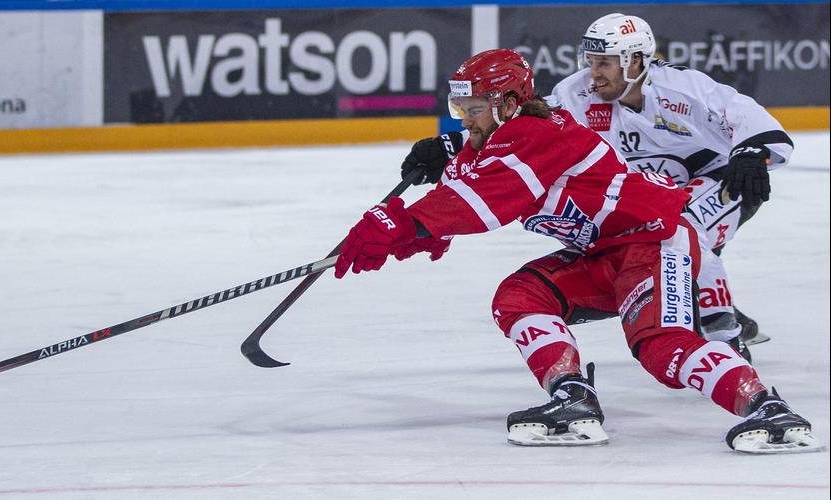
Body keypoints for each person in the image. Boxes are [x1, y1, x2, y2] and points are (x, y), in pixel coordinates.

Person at [336, 48, 822, 453]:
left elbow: (483, 202)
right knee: (521, 295)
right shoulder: (494, 143)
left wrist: (396, 220)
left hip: (657, 240)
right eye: (460, 107)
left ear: (507, 103)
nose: (465, 118)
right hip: (605, 251)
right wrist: (406, 237)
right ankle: (572, 399)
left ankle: (769, 411)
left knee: (661, 348)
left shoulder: (538, 135)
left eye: (475, 107)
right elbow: (463, 191)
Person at [402, 14, 792, 362]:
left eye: (604, 63)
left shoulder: (683, 90)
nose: (594, 74)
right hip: (659, 192)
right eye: (590, 62)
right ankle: (707, 308)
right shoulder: (579, 94)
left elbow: (754, 122)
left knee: (681, 229)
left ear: (635, 61)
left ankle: (726, 333)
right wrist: (452, 143)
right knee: (667, 239)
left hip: (721, 181)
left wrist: (752, 154)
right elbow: (529, 127)